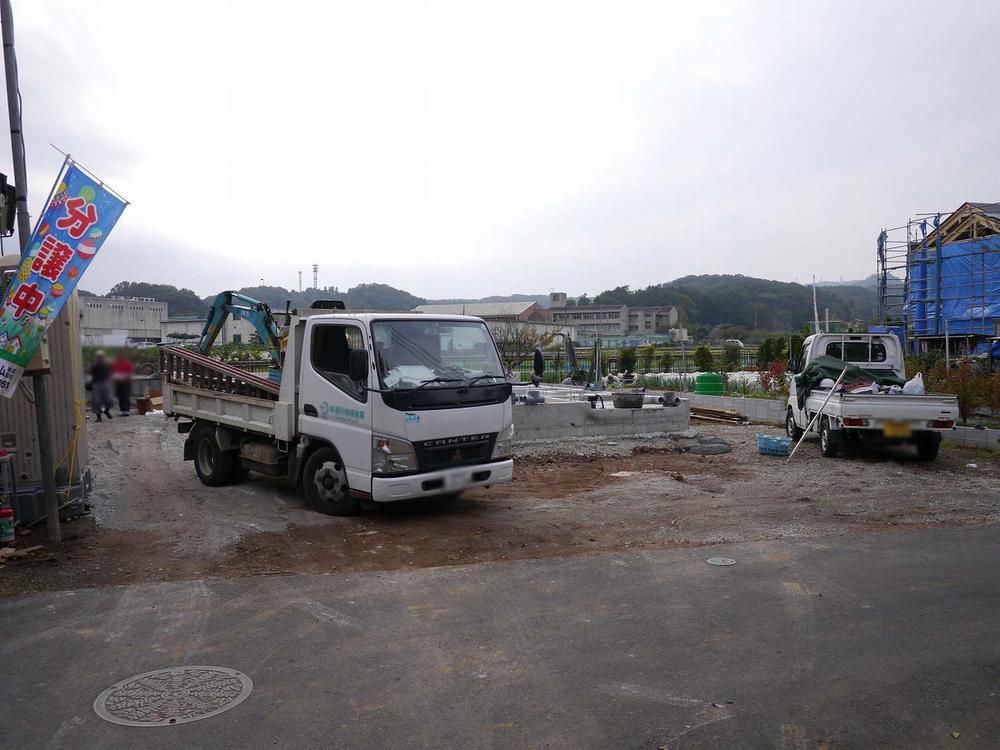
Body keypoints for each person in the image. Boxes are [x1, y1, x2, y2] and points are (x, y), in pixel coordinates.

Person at [89, 350, 114, 422]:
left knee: (109, 400)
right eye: (99, 356)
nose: (101, 358)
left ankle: (106, 411)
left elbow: (110, 372)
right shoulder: (94, 365)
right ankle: (98, 417)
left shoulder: (107, 364)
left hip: (106, 383)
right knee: (96, 401)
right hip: (96, 383)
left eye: (102, 356)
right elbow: (92, 373)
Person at [111, 350, 134, 416]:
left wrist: (125, 377)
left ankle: (126, 410)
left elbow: (130, 372)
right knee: (120, 396)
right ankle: (122, 410)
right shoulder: (115, 363)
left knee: (126, 396)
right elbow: (112, 371)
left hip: (126, 382)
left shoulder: (127, 363)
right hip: (118, 382)